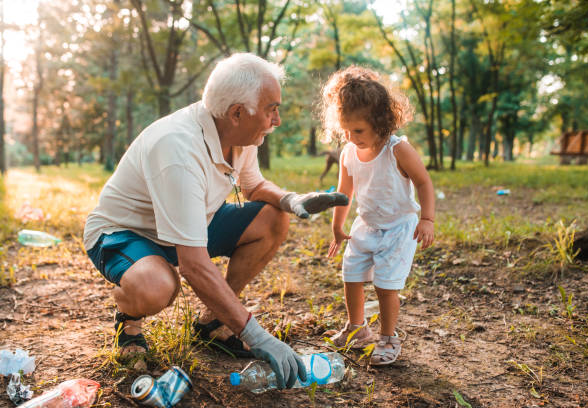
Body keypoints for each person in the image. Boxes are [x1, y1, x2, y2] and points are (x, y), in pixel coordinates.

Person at [83, 53, 348, 388]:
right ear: (237, 112)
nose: (277, 120)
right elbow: (193, 265)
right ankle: (129, 320)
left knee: (274, 218)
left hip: (190, 221)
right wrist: (257, 334)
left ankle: (212, 323)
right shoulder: (178, 148)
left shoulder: (239, 134)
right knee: (158, 286)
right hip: (125, 232)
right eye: (271, 109)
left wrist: (290, 199)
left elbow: (253, 185)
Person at [321, 66, 435, 366]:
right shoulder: (348, 153)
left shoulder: (398, 150)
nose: (350, 136)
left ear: (380, 121)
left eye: (358, 130)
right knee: (351, 275)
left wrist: (428, 219)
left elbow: (423, 182)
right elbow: (345, 192)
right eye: (346, 130)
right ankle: (357, 329)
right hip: (367, 225)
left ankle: (387, 337)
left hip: (399, 228)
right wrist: (337, 225)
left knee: (386, 286)